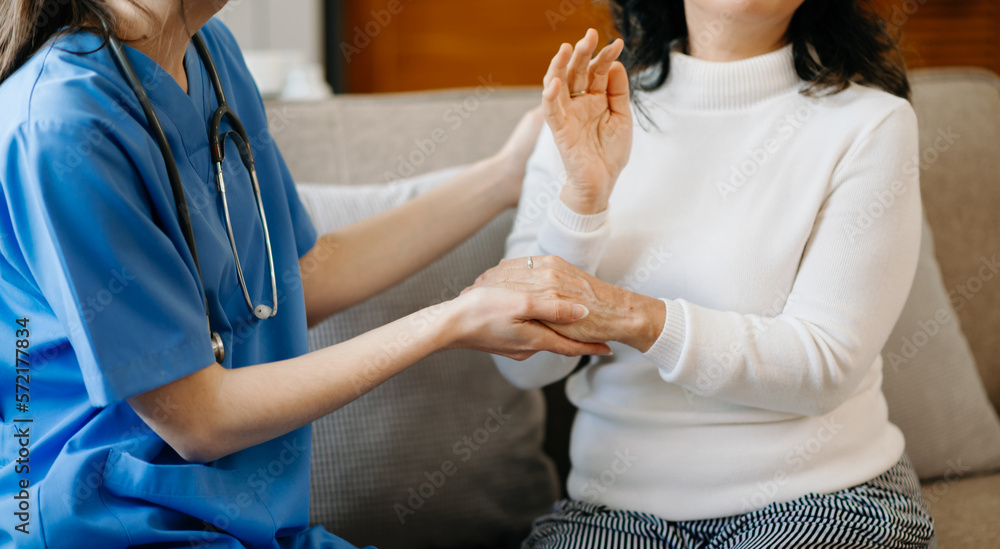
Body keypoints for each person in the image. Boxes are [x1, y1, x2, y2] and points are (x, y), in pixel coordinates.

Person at [0, 1, 614, 547]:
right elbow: (200, 420)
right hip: (108, 523)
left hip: (250, 524)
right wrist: (448, 322)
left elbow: (301, 279)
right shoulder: (60, 126)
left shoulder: (208, 52)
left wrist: (507, 174)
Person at [471, 1, 936, 547]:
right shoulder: (583, 113)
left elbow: (824, 367)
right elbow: (525, 370)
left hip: (824, 497)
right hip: (612, 513)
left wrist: (631, 316)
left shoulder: (871, 123)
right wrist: (584, 199)